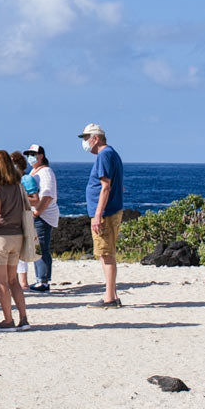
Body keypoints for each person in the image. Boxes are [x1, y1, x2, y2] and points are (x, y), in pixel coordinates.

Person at [0, 149, 30, 331]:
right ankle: (23, 318)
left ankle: (8, 320)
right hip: (16, 235)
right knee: (13, 280)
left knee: (1, 282)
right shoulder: (17, 184)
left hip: (0, 236)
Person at [80, 123, 124, 308]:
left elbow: (105, 186)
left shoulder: (104, 155)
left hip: (106, 213)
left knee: (106, 254)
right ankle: (111, 294)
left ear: (95, 138)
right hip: (110, 210)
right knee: (106, 254)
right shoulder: (111, 153)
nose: (85, 142)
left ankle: (109, 297)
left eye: (86, 138)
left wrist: (98, 215)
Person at [24, 144, 59, 293]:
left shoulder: (45, 172)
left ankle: (43, 281)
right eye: (28, 154)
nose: (30, 157)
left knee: (41, 247)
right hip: (36, 214)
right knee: (36, 247)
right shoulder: (34, 172)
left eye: (33, 154)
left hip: (43, 215)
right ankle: (39, 279)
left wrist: (37, 212)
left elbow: (47, 195)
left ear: (41, 156)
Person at [11, 151, 39, 291]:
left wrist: (19, 197)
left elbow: (35, 199)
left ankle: (23, 282)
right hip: (13, 216)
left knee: (22, 250)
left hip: (24, 216)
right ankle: (15, 281)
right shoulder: (10, 180)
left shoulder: (27, 179)